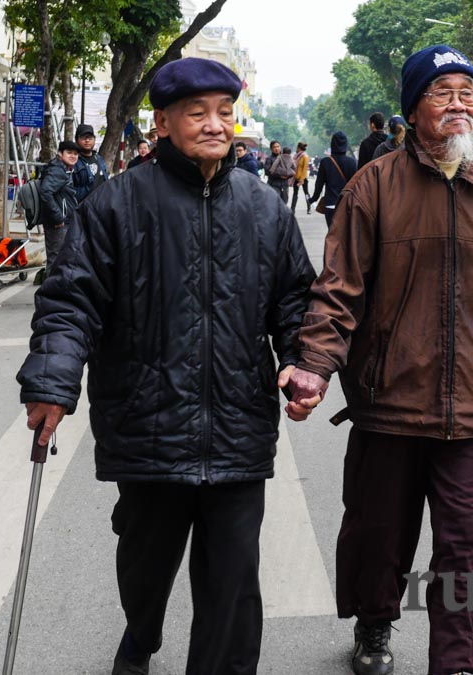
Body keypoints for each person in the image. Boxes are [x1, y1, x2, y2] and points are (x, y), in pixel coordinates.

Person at [16, 57, 316, 675]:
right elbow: (71, 298)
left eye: (224, 114)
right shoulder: (117, 203)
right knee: (145, 564)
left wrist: (301, 360)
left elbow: (295, 299)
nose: (215, 125)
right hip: (148, 423)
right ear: (163, 122)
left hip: (238, 425)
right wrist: (52, 381)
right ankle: (141, 632)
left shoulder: (263, 208)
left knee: (232, 588)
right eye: (197, 113)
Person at [284, 44, 473, 675]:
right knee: (379, 531)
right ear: (414, 109)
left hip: (471, 403)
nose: (459, 104)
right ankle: (375, 621)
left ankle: (461, 660)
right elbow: (339, 289)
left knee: (461, 542)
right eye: (443, 93)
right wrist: (315, 365)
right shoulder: (374, 187)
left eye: (468, 93)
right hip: (388, 399)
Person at [37, 140, 81, 271]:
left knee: (60, 259)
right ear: (60, 154)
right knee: (56, 260)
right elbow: (45, 191)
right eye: (69, 153)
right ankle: (50, 290)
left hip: (62, 221)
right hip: (58, 224)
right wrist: (58, 217)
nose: (73, 156)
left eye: (75, 153)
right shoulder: (58, 170)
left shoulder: (62, 168)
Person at [309, 131, 357, 228]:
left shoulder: (325, 162)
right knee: (345, 236)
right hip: (347, 205)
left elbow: (319, 185)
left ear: (332, 144)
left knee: (332, 236)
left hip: (331, 205)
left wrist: (313, 199)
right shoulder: (353, 162)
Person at [72, 124, 109, 202]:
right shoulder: (73, 161)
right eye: (83, 137)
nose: (87, 140)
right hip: (84, 208)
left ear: (94, 139)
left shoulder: (99, 159)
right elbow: (70, 191)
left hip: (101, 205)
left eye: (90, 137)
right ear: (76, 140)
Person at [292, 142, 312, 214]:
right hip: (296, 177)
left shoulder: (305, 156)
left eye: (297, 147)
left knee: (306, 193)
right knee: (295, 193)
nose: (296, 149)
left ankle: (309, 208)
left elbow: (304, 169)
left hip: (303, 178)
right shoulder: (296, 156)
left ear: (299, 148)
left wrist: (302, 180)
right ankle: (292, 209)